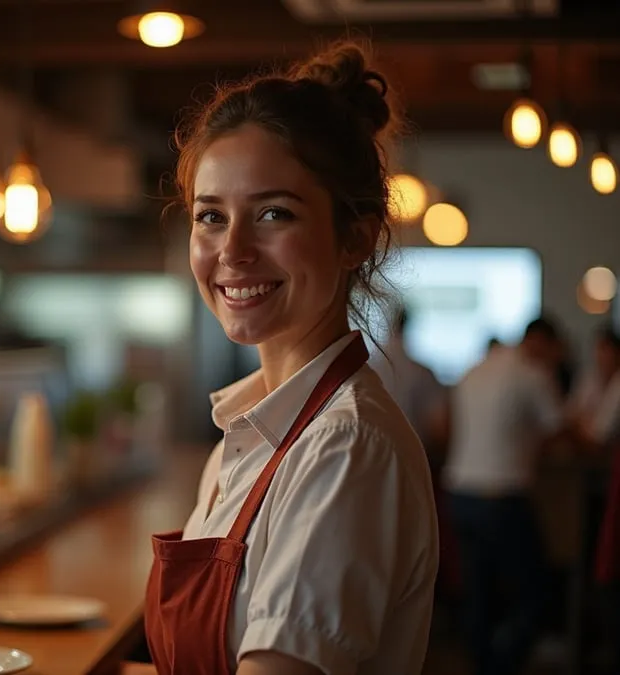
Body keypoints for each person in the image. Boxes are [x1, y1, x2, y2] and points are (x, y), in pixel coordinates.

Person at [136, 43, 439, 675]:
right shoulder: (239, 442)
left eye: (274, 213)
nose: (234, 250)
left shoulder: (345, 445)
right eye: (211, 216)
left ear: (354, 236)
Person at [443, 317, 565, 675]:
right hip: (501, 496)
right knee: (535, 590)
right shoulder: (532, 374)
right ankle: (504, 661)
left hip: (460, 493)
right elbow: (559, 430)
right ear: (542, 343)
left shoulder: (475, 369)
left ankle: (482, 663)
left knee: (478, 591)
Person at [372, 306, 448, 460]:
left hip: (373, 454)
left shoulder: (368, 367)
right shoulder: (421, 372)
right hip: (412, 456)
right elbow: (438, 426)